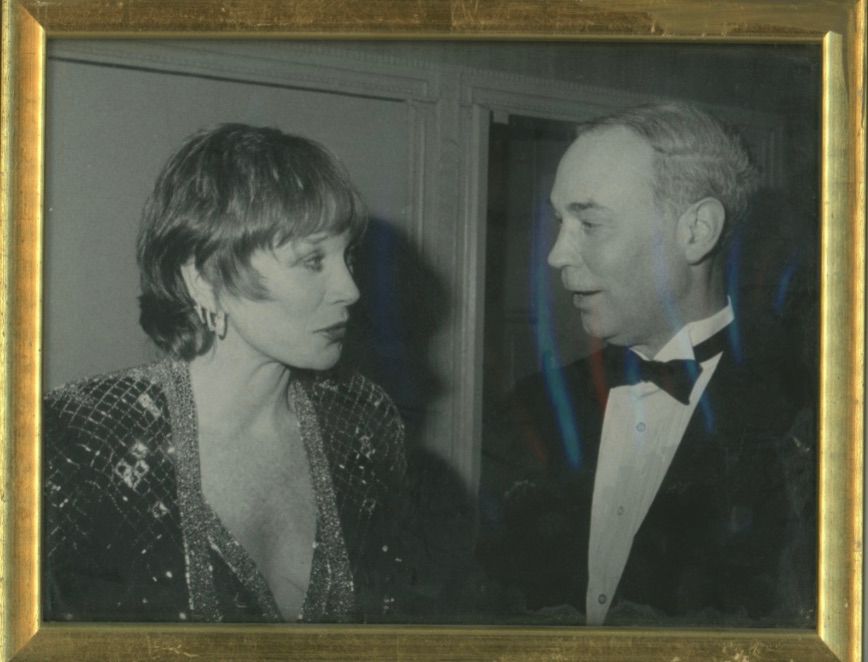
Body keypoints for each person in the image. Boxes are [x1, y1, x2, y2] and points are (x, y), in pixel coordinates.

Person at [43, 124, 408, 623]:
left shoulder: (363, 421)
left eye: (346, 256)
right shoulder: (78, 437)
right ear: (205, 278)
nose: (350, 289)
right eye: (311, 260)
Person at [478, 103, 816, 626]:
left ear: (697, 231)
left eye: (588, 223)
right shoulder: (533, 410)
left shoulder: (812, 426)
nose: (556, 254)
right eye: (559, 222)